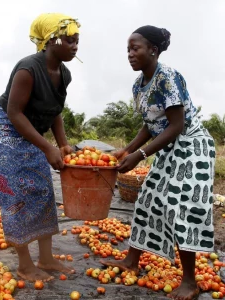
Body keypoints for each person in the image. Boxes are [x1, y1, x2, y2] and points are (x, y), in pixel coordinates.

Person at [101, 25, 215, 300]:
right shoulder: (138, 85)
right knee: (148, 200)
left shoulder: (168, 77)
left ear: (153, 49)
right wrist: (126, 149)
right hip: (169, 147)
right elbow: (150, 125)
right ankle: (131, 260)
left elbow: (176, 125)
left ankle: (190, 281)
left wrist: (139, 156)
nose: (130, 54)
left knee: (179, 208)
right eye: (128, 49)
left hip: (191, 146)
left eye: (135, 48)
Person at [0, 13, 80, 282]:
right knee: (17, 194)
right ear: (51, 40)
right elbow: (15, 113)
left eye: (77, 41)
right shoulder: (28, 69)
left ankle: (47, 259)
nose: (75, 46)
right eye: (69, 40)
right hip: (5, 130)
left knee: (42, 189)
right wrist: (47, 147)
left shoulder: (64, 73)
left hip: (31, 132)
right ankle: (25, 264)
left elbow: (55, 112)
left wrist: (62, 145)